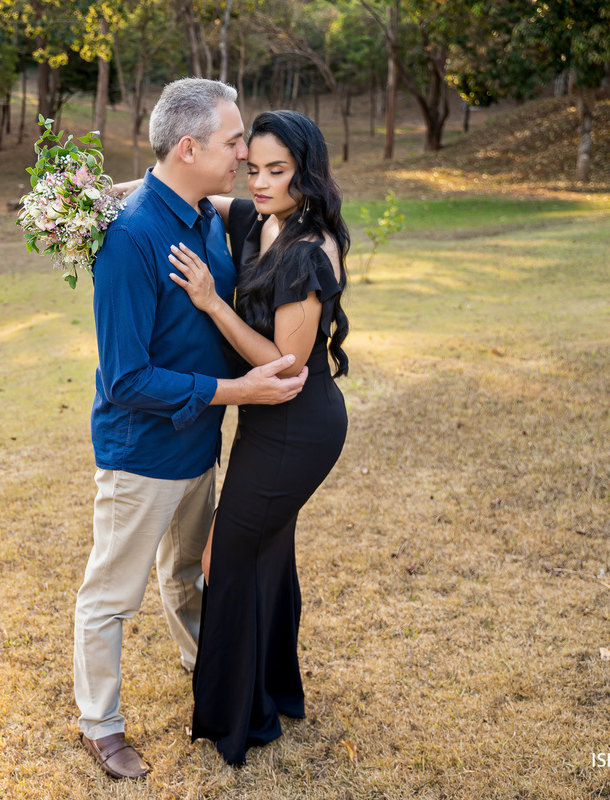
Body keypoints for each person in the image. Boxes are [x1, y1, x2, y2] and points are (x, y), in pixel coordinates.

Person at [73, 80, 309, 781]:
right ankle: (101, 725)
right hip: (142, 456)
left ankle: (209, 674)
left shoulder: (208, 214)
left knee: (184, 573)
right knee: (112, 596)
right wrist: (237, 391)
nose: (245, 152)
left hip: (198, 447)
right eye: (234, 141)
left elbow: (294, 203)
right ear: (189, 147)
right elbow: (124, 378)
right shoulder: (131, 238)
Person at [164, 110, 351, 766]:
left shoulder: (308, 249)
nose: (262, 182)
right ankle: (270, 692)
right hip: (264, 421)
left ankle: (237, 714)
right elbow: (174, 185)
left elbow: (285, 366)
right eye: (255, 169)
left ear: (307, 172)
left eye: (279, 171)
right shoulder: (257, 219)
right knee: (266, 555)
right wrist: (93, 194)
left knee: (225, 559)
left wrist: (213, 302)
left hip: (298, 425)